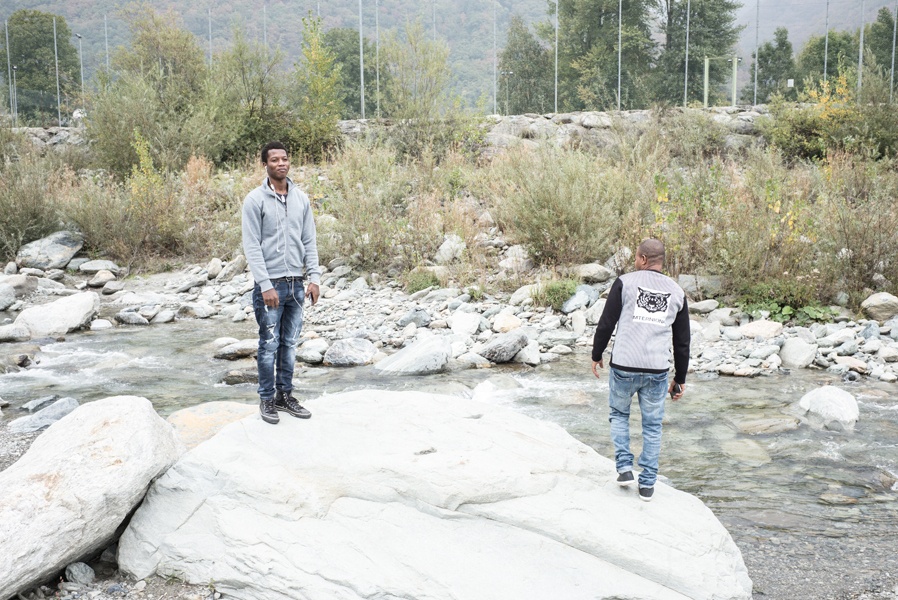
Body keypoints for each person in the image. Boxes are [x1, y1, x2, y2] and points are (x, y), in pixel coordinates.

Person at [590, 238, 690, 502]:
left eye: (636, 257)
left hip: (623, 364)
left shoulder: (625, 282)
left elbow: (606, 322)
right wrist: (679, 379)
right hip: (657, 370)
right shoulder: (676, 291)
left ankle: (624, 469)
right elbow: (682, 341)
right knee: (653, 426)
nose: (635, 261)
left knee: (619, 414)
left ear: (643, 259)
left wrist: (596, 353)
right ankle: (647, 485)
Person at [242, 141, 321, 425]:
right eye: (274, 160)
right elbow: (251, 246)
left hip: (297, 284)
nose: (281, 163)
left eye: (284, 159)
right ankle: (266, 399)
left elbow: (309, 240)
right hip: (271, 285)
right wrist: (265, 285)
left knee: (289, 344)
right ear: (265, 164)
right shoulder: (255, 200)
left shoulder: (301, 198)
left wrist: (314, 277)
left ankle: (284, 396)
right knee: (269, 344)